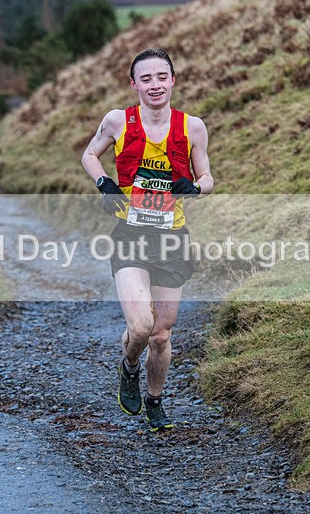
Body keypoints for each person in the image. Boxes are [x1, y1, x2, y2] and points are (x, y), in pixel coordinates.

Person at [81, 48, 214, 432]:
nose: (154, 85)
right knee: (140, 326)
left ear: (172, 80)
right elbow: (90, 155)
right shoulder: (117, 121)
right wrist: (105, 184)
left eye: (161, 77)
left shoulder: (192, 127)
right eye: (146, 78)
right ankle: (129, 367)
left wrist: (195, 188)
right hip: (130, 235)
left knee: (161, 333)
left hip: (172, 238)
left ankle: (155, 400)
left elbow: (207, 177)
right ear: (134, 84)